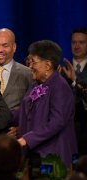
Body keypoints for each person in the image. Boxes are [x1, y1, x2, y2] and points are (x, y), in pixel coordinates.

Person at [14, 40, 77, 168]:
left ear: (47, 65)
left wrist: (27, 139)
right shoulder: (36, 85)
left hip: (53, 157)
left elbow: (57, 122)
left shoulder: (60, 87)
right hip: (35, 155)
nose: (30, 66)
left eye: (33, 62)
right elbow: (22, 112)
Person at [61, 27, 87, 156]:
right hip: (65, 131)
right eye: (74, 42)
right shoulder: (60, 70)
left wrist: (75, 81)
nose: (77, 46)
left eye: (81, 42)